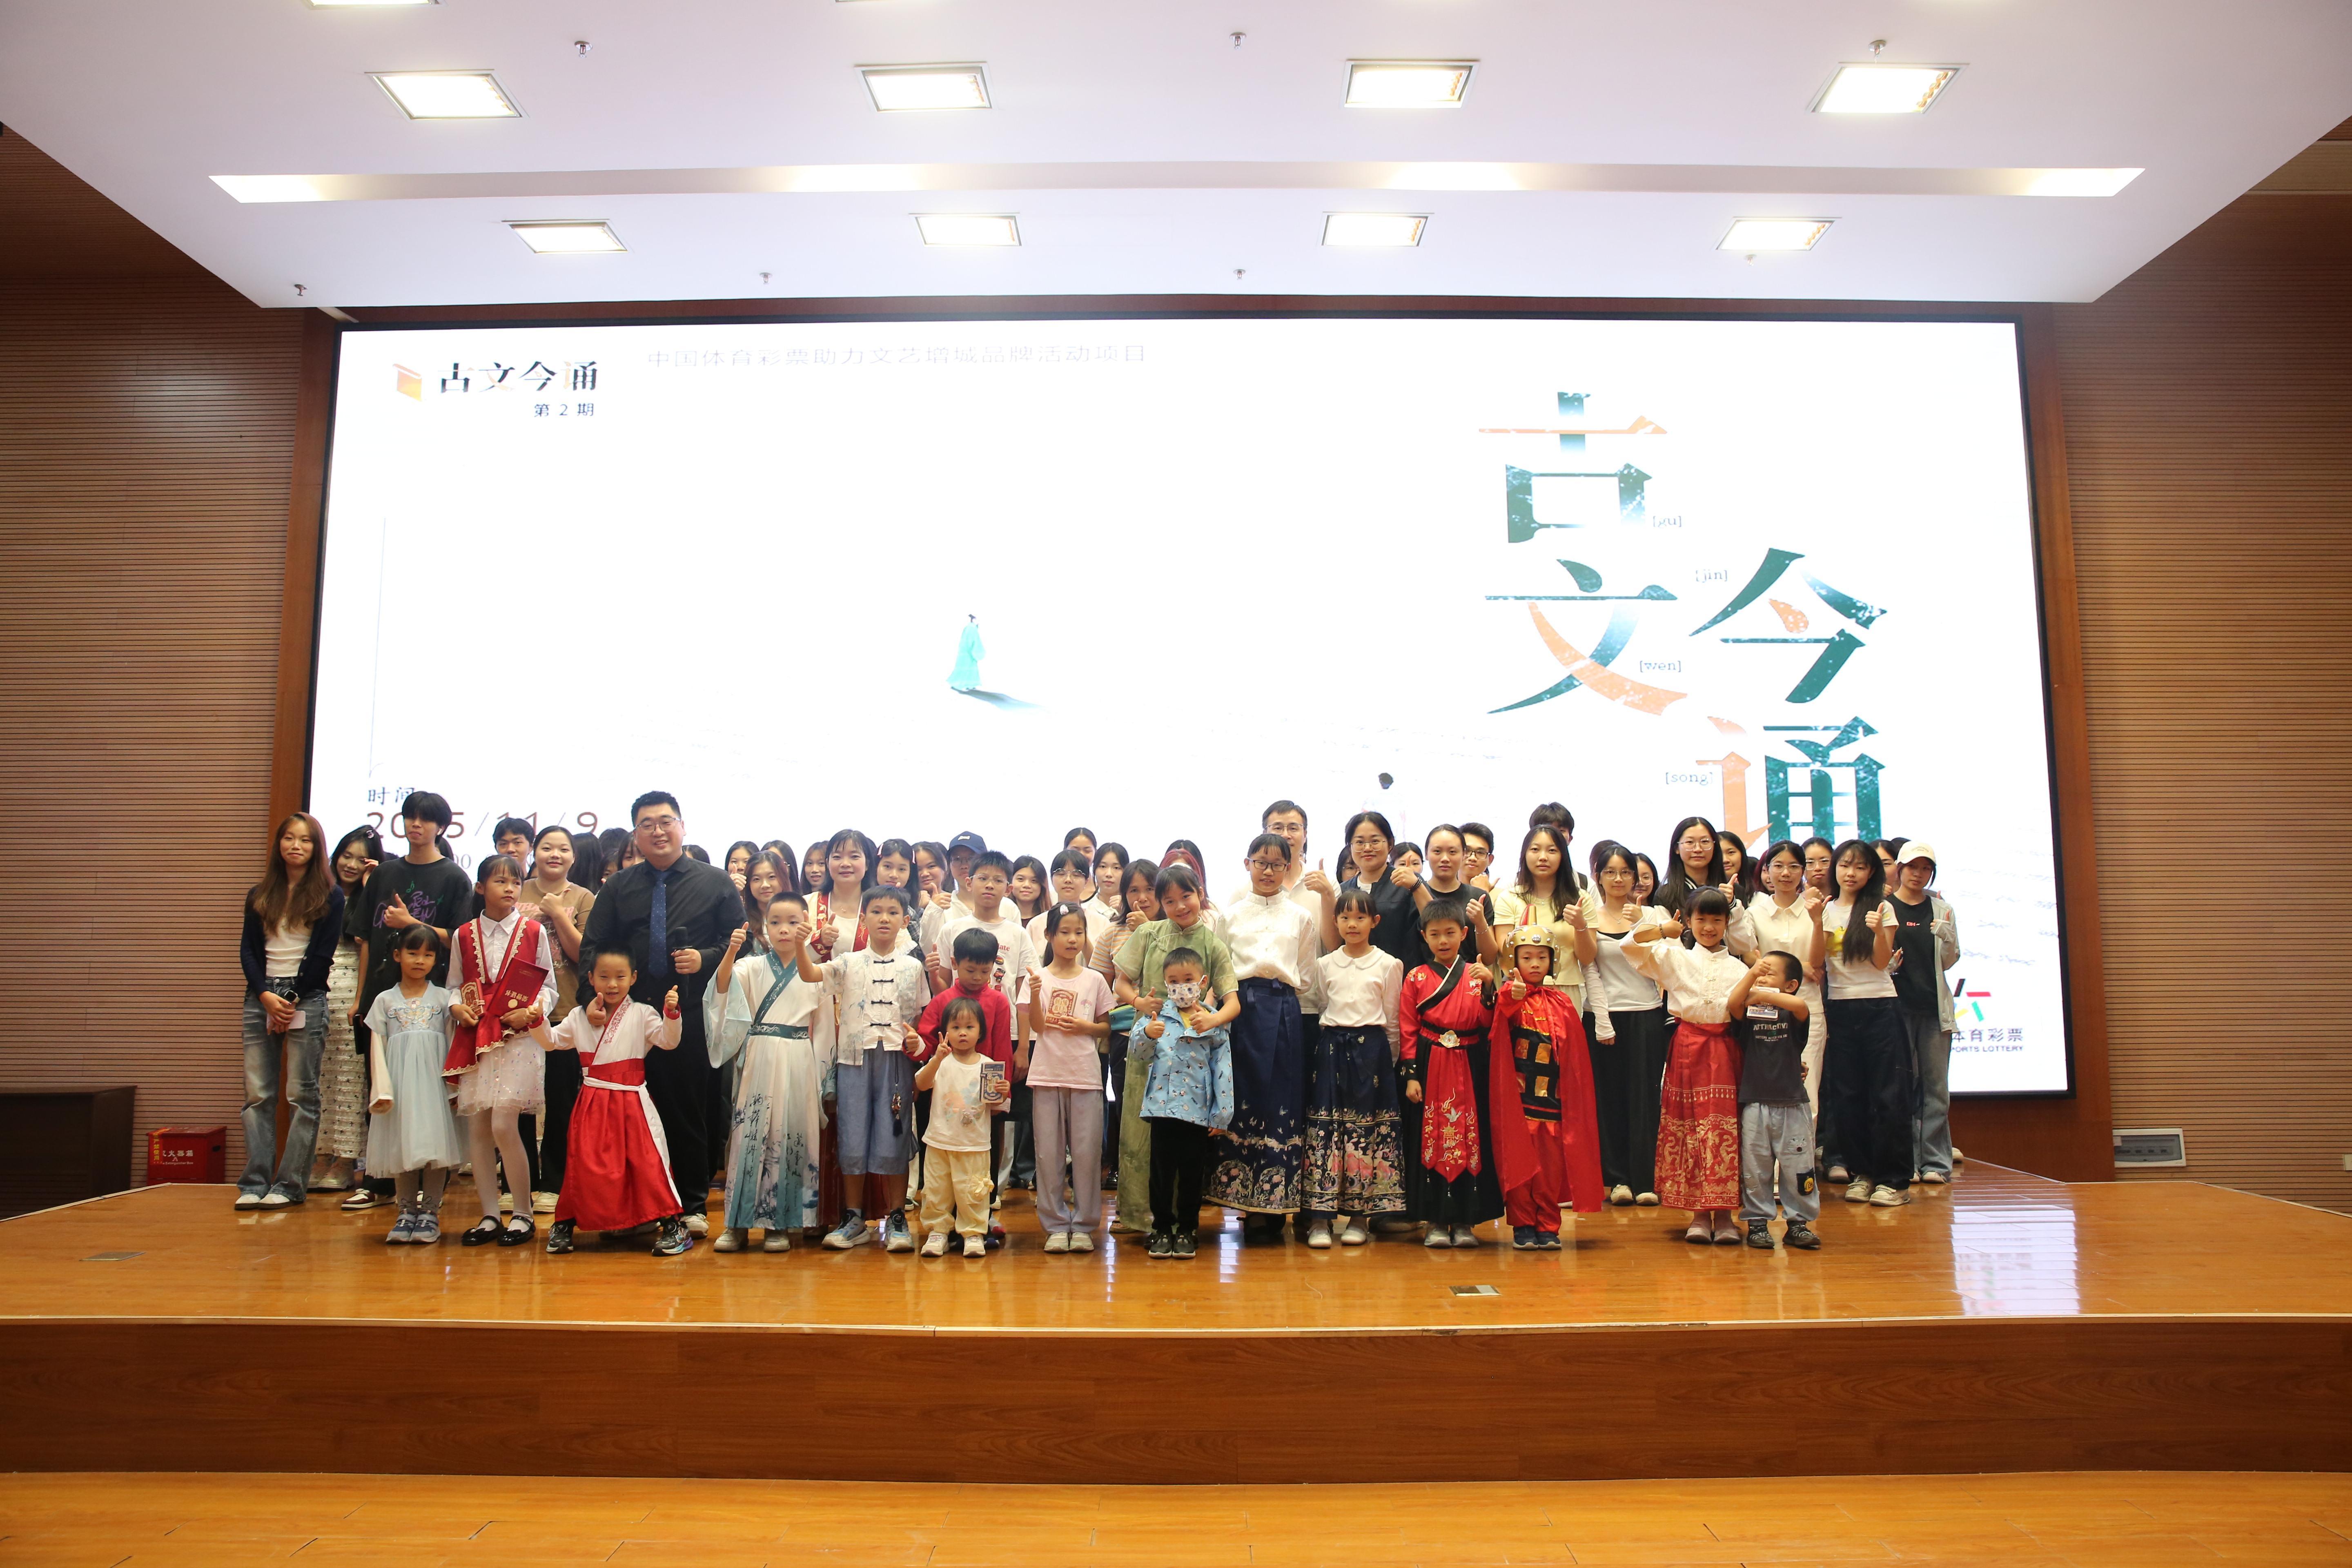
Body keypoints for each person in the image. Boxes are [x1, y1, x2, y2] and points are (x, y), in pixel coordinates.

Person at [577, 791, 744, 1236]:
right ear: (636, 834)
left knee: (687, 1108)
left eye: (666, 821)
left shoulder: (715, 883)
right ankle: (635, 1206)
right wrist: (591, 1000)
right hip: (628, 1017)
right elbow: (594, 947)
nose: (658, 831)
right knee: (628, 1113)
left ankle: (691, 1204)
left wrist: (706, 959)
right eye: (647, 824)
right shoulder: (618, 887)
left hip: (689, 1012)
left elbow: (740, 941)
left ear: (683, 827)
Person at [1110, 863, 1236, 1243]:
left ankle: (1185, 1225)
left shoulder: (1213, 943)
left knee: (1188, 1147)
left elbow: (1232, 1001)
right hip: (1150, 1044)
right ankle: (1141, 1216)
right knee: (1140, 1137)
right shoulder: (1148, 933)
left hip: (1195, 1053)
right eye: (1169, 901)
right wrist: (1140, 1003)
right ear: (1160, 903)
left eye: (1187, 896)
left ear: (1201, 894)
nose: (1180, 906)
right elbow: (1120, 983)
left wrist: (1213, 1021)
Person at [1620, 887, 1750, 1245]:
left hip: (1726, 1051)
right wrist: (1664, 930)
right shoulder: (1675, 957)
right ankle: (1698, 1215)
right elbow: (1630, 947)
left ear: (1727, 923)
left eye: (1717, 920)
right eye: (1701, 919)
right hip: (1687, 1049)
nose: (1709, 927)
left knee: (1724, 1131)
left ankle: (1725, 1215)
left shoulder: (1740, 968)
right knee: (1691, 1130)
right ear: (1689, 921)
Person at [543, 949, 693, 1256]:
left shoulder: (643, 1013)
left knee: (647, 1163)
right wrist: (537, 1022)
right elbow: (552, 1042)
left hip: (633, 1101)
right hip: (592, 1102)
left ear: (633, 978)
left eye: (620, 977)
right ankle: (564, 1223)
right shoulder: (578, 1016)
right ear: (590, 978)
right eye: (604, 977)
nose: (612, 984)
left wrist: (671, 1013)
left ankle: (673, 1224)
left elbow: (669, 1041)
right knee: (583, 1163)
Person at [1208, 833, 1319, 1240]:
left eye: (1277, 865)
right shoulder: (1230, 916)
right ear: (1247, 864)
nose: (1268, 871)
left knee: (1280, 1102)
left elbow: (1306, 976)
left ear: (1289, 868)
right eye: (1261, 862)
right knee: (1241, 1099)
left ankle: (1273, 1206)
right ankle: (1241, 1200)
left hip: (1284, 1009)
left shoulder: (1301, 917)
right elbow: (1219, 971)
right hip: (1240, 1010)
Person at [704, 892, 827, 1252]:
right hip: (759, 1053)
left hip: (798, 1056)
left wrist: (825, 1076)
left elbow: (824, 1029)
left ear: (807, 924)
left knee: (790, 1133)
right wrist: (731, 951)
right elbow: (721, 990)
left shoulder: (817, 969)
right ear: (765, 927)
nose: (784, 930)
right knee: (749, 1134)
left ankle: (780, 1224)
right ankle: (737, 1224)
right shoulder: (752, 966)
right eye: (775, 923)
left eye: (792, 922)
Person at [443, 853, 555, 1247]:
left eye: (516, 882)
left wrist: (533, 1011)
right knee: (478, 1127)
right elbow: (454, 985)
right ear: (480, 887)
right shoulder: (463, 935)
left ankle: (522, 1212)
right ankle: (490, 1214)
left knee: (504, 1125)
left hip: (518, 1037)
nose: (510, 889)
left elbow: (549, 988)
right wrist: (456, 1007)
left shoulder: (534, 931)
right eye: (500, 881)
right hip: (476, 1036)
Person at [236, 811, 345, 1209]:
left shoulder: (330, 895)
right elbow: (248, 951)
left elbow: (323, 955)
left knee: (302, 1095)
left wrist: (292, 998)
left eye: (305, 840)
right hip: (261, 998)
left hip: (307, 998)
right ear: (279, 844)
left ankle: (289, 1185)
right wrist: (265, 995)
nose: (295, 846)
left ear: (316, 848)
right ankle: (254, 1183)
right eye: (289, 838)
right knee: (258, 1095)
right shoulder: (259, 893)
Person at [818, 883, 935, 1253]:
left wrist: (917, 1044)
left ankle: (898, 1215)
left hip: (897, 1061)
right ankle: (854, 1218)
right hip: (854, 1058)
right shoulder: (848, 962)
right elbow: (809, 976)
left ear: (905, 920)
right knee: (852, 1134)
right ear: (864, 918)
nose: (885, 918)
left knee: (895, 1133)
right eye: (876, 912)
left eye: (893, 912)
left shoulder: (913, 966)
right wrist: (814, 943)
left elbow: (922, 1019)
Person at [931, 849, 1037, 1210]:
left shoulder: (1017, 933)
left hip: (1003, 1036)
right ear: (968, 881)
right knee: (957, 1107)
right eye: (983, 878)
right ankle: (952, 1193)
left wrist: (1023, 1047)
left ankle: (990, 1192)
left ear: (1008, 888)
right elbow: (943, 986)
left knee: (995, 1113)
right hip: (959, 1039)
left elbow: (1023, 992)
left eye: (997, 880)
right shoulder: (951, 928)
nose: (989, 885)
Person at [1490, 929, 1607, 1250]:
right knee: (1521, 1166)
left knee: (1550, 1171)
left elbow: (1575, 1060)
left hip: (1553, 1105)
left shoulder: (1562, 1002)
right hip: (1520, 1104)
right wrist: (1511, 996)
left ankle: (1548, 1226)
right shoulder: (1510, 996)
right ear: (1513, 961)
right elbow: (1501, 1020)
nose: (1535, 964)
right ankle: (1522, 1225)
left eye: (1542, 957)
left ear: (1553, 961)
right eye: (1527, 958)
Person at [1301, 885, 1404, 1247]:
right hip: (1332, 1049)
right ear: (1336, 922)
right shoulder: (1324, 964)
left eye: (1361, 917)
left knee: (1366, 1132)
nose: (1353, 924)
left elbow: (1393, 1019)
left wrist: (1389, 1063)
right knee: (1326, 1131)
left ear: (1375, 921)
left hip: (1373, 1053)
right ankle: (1320, 1219)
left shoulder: (1389, 964)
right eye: (1345, 917)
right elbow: (1321, 1005)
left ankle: (1360, 1217)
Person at [1809, 840, 1910, 1207]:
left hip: (1880, 1006)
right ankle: (1862, 1174)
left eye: (1860, 867)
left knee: (1888, 1095)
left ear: (1871, 873)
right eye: (1844, 866)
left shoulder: (1882, 907)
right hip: (1840, 1008)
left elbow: (1883, 963)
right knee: (1849, 1097)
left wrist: (1880, 932)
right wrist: (1816, 923)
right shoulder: (1827, 909)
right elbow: (1816, 962)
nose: (1850, 874)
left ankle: (1894, 1181)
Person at [1400, 899, 1504, 1247]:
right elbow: (1408, 1028)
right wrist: (1411, 1075)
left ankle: (1465, 1222)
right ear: (1424, 937)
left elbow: (1490, 1023)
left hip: (1471, 1061)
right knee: (1431, 1136)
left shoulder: (1477, 974)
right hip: (1430, 1061)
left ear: (1463, 934)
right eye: (1435, 934)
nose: (1443, 941)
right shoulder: (1416, 977)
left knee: (1470, 1135)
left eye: (1449, 933)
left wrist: (1489, 987)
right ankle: (1434, 1221)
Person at [362, 924, 467, 1243]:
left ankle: (430, 1212)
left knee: (436, 1145)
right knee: (402, 1143)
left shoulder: (444, 999)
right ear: (397, 955)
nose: (420, 960)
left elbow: (453, 1043)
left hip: (434, 1086)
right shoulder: (384, 1001)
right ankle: (406, 1211)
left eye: (428, 955)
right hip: (400, 1086)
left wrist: (455, 1087)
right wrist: (382, 1090)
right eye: (413, 953)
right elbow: (377, 1049)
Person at [916, 927, 1019, 1245]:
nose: (977, 977)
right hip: (946, 1090)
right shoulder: (943, 1000)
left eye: (985, 972)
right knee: (941, 1159)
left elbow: (1002, 1047)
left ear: (994, 967)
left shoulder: (998, 1001)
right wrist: (917, 1048)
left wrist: (1001, 1094)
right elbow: (925, 1038)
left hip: (983, 1093)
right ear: (955, 963)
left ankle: (982, 1217)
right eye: (970, 970)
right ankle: (942, 1223)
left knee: (983, 1155)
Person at [1137, 947, 1238, 1261]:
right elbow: (1138, 1054)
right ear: (1166, 984)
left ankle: (1187, 1229)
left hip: (1197, 1113)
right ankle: (1161, 1228)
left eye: (1188, 980)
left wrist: (1222, 1114)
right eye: (1174, 981)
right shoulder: (1156, 1017)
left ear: (1203, 982)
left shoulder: (1212, 1021)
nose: (1181, 987)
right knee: (1161, 1174)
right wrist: (1148, 1035)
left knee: (1193, 1174)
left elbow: (1223, 1069)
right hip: (1161, 1110)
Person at [1023, 901, 1113, 1251]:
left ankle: (1086, 1226)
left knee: (1088, 1153)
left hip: (1086, 1075)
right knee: (1048, 1154)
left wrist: (1083, 1027)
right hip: (1047, 1074)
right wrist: (1035, 994)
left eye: (1079, 932)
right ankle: (1056, 1226)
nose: (1072, 939)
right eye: (1064, 933)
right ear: (1049, 936)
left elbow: (1106, 1027)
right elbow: (1038, 1027)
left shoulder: (1094, 979)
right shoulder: (1038, 978)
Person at [521, 825, 594, 1214]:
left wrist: (556, 915)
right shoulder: (516, 890)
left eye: (563, 849)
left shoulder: (583, 897)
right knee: (516, 1102)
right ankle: (518, 1182)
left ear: (574, 857)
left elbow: (584, 953)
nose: (555, 854)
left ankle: (553, 1183)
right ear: (534, 852)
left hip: (564, 1011)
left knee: (561, 1100)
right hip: (516, 1013)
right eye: (547, 847)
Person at [1730, 950, 1820, 1251]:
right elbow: (1734, 1003)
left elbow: (1801, 1006)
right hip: (1755, 1103)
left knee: (1798, 1166)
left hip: (1792, 1103)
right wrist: (1752, 977)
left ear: (1791, 985)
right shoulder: (1749, 1012)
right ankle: (1758, 1223)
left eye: (1770, 974)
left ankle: (1799, 1223)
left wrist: (1763, 995)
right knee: (1756, 1168)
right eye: (1760, 972)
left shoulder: (1792, 1013)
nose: (1762, 978)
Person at [310, 825, 380, 1195]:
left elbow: (371, 943)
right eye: (346, 856)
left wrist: (372, 884)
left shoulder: (373, 898)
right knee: (320, 1080)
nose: (351, 865)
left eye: (361, 860)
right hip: (317, 992)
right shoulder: (319, 894)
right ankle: (320, 1156)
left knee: (350, 1081)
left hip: (353, 993)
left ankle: (347, 1159)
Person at [1737, 841, 1829, 1116]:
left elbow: (1817, 963)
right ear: (1767, 870)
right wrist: (1798, 966)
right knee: (1769, 1086)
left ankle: (1804, 1146)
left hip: (1808, 1005)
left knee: (1808, 1088)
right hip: (1763, 1009)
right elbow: (1749, 956)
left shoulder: (1815, 909)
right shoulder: (1754, 912)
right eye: (1778, 866)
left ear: (1803, 871)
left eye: (1794, 867)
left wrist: (1817, 921)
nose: (1786, 873)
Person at [1887, 842, 1961, 1185]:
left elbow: (1949, 961)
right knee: (1903, 1086)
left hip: (1933, 1010)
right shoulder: (1884, 907)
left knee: (1936, 1089)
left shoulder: (1942, 908)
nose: (1918, 874)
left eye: (1925, 868)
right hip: (1896, 1011)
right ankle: (1908, 1162)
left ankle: (1935, 1162)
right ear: (1900, 869)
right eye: (1913, 867)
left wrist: (1946, 938)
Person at [1095, 857, 1158, 1224]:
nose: (1142, 897)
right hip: (1124, 1032)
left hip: (1168, 1034)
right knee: (1125, 1106)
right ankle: (1126, 1185)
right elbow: (1100, 983)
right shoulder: (1110, 933)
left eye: (1149, 889)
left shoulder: (1172, 929)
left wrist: (1148, 929)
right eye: (1134, 890)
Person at [914, 997, 1001, 1257]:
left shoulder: (988, 1065)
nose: (963, 1033)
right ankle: (938, 1232)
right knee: (936, 1190)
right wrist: (936, 1059)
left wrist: (1003, 1091)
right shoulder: (941, 1062)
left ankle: (974, 1233)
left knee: (973, 1190)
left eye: (970, 1027)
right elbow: (921, 1084)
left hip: (974, 1144)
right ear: (946, 1032)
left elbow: (995, 1101)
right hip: (939, 1141)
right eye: (956, 1027)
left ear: (980, 1032)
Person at [1659, 816, 1724, 919]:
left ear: (1715, 847)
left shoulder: (1731, 890)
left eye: (1705, 842)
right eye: (1690, 842)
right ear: (1676, 848)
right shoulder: (1665, 895)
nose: (1698, 849)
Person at [1008, 855, 1050, 926]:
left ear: (1042, 886)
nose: (1027, 885)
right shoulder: (1002, 917)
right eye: (1021, 879)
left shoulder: (1049, 920)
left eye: (1034, 881)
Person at [948, 613, 984, 693]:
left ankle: (969, 685)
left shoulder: (969, 627)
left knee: (966, 667)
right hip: (970, 652)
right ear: (974, 620)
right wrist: (976, 651)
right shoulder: (972, 628)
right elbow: (975, 641)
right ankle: (963, 685)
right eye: (977, 620)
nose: (979, 622)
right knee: (967, 668)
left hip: (966, 651)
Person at [1459, 822, 1497, 892]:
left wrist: (1483, 893)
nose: (1473, 858)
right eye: (1467, 851)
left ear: (1490, 860)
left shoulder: (1502, 897)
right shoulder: (1441, 891)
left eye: (1480, 853)